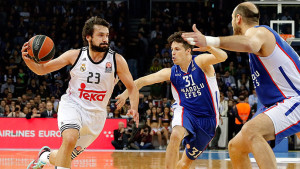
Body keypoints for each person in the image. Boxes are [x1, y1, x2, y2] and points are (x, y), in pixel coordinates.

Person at [182, 2, 300, 169]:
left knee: (252, 131)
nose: (231, 23)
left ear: (238, 18)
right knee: (236, 146)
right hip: (277, 103)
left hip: (295, 99)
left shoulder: (260, 32)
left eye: (232, 19)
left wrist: (209, 40)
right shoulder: (261, 40)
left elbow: (249, 44)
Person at [22, 16, 139, 169]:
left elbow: (132, 87)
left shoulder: (117, 61)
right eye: (101, 35)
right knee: (69, 140)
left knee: (64, 156)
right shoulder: (75, 55)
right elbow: (42, 69)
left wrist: (134, 108)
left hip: (96, 117)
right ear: (88, 37)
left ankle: (44, 156)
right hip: (73, 105)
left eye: (107, 35)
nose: (105, 39)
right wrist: (27, 60)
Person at [116, 31, 227, 169]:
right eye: (172, 49)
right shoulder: (171, 72)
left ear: (188, 51)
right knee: (175, 135)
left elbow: (223, 57)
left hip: (208, 119)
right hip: (186, 111)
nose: (172, 53)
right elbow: (142, 81)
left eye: (177, 49)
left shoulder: (200, 62)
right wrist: (125, 94)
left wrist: (209, 47)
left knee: (185, 164)